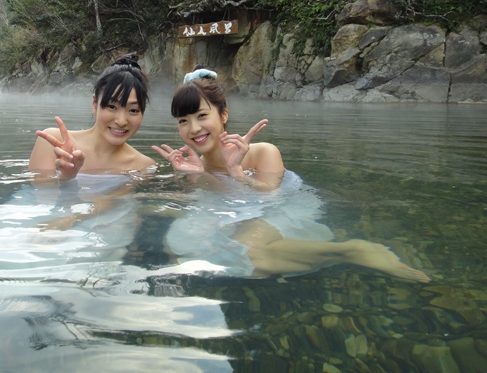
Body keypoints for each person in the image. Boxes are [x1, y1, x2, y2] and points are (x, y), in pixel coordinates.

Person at [152, 66, 431, 282]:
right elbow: (204, 205)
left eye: (202, 116)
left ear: (223, 115)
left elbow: (271, 197)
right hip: (237, 216)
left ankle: (352, 250)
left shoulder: (263, 152)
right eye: (183, 121)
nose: (194, 129)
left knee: (253, 254)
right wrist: (195, 178)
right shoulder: (194, 165)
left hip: (282, 208)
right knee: (176, 248)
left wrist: (237, 172)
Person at [29, 55, 155, 178]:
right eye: (112, 107)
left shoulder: (144, 166)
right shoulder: (55, 142)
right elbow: (39, 194)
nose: (121, 121)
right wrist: (66, 177)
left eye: (133, 110)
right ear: (94, 104)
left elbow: (117, 199)